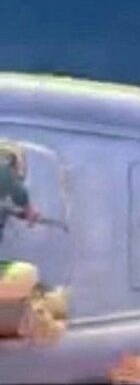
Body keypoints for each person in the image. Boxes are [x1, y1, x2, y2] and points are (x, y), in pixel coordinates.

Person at [0, 141, 68, 343]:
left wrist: (22, 212)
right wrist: (28, 208)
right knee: (25, 275)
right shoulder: (4, 171)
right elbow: (9, 181)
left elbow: (6, 207)